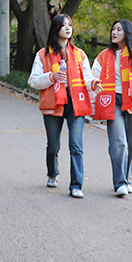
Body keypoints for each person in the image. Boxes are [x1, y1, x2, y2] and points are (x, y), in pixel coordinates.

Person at [28, 14, 94, 198]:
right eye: (63, 25)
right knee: (53, 145)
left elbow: (87, 78)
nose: (68, 28)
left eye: (70, 25)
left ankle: (76, 185)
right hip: (53, 103)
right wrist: (51, 76)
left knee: (76, 145)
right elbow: (33, 80)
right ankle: (52, 173)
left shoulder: (79, 54)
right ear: (55, 29)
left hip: (75, 104)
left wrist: (93, 84)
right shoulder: (43, 54)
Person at [90, 19, 132, 197]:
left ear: (127, 33)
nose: (114, 33)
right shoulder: (104, 55)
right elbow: (93, 75)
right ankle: (120, 182)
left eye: (119, 30)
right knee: (119, 142)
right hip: (111, 100)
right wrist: (93, 91)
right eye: (113, 29)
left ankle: (127, 178)